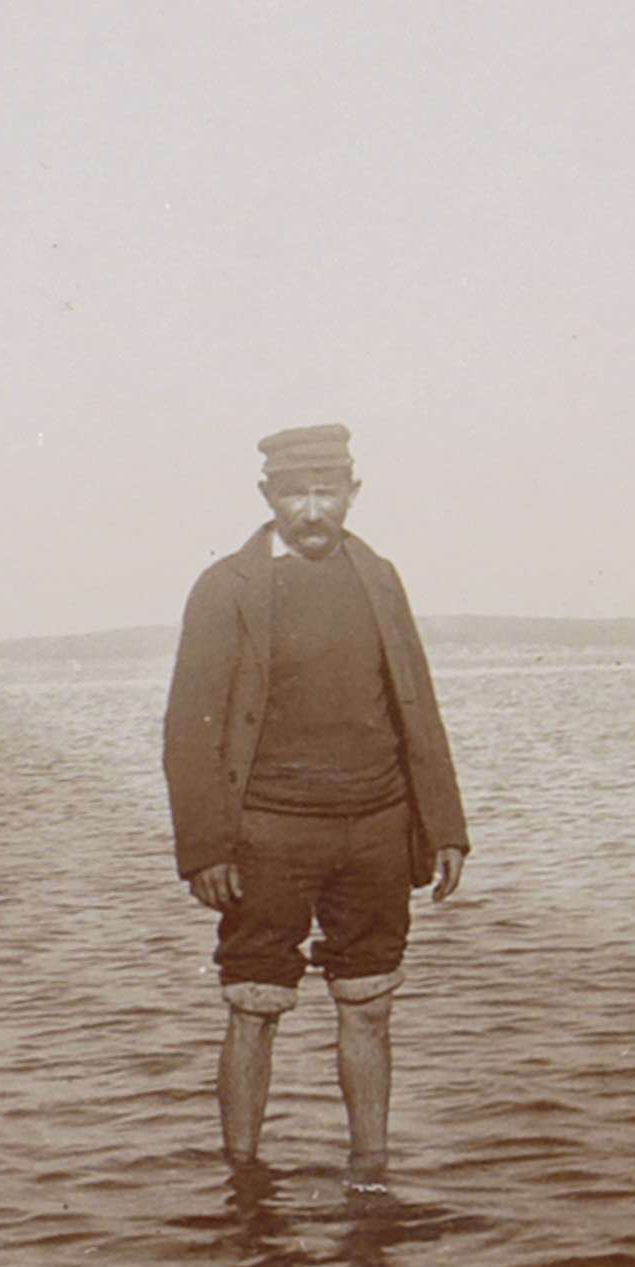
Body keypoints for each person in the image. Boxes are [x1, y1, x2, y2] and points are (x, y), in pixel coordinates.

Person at [162, 423, 468, 1186]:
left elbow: (417, 706)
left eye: (326, 491)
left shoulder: (379, 578)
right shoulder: (227, 588)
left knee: (369, 1005)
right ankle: (243, 1180)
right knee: (254, 1005)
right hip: (267, 835)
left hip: (376, 830)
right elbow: (189, 727)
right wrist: (204, 848)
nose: (311, 510)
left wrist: (445, 826)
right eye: (295, 493)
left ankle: (371, 1173)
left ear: (352, 493)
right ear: (268, 495)